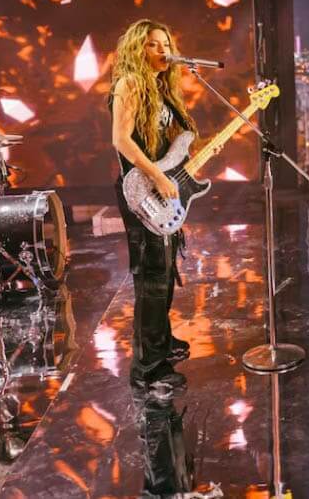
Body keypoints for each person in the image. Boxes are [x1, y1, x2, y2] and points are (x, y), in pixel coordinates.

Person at [110, 19, 197, 397]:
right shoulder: (129, 84)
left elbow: (169, 142)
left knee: (165, 269)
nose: (163, 51)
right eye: (153, 45)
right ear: (137, 49)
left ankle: (161, 342)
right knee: (151, 277)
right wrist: (158, 178)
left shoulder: (161, 90)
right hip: (141, 189)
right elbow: (121, 140)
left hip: (162, 186)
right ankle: (147, 369)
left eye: (166, 43)